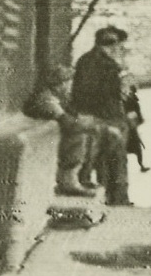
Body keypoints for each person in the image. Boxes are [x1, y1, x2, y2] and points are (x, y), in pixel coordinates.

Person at [72, 25, 134, 206]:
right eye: (115, 43)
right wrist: (123, 80)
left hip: (91, 116)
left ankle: (103, 197)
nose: (118, 47)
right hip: (109, 116)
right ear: (109, 44)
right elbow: (118, 93)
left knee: (96, 159)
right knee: (116, 159)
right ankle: (118, 198)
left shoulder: (84, 60)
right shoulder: (110, 64)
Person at [23, 65, 98, 197]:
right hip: (36, 133)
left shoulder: (58, 96)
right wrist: (88, 125)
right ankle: (68, 182)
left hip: (47, 131)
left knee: (88, 134)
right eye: (69, 82)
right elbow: (67, 122)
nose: (71, 86)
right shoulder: (47, 99)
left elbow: (72, 113)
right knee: (78, 135)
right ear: (60, 84)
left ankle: (79, 177)